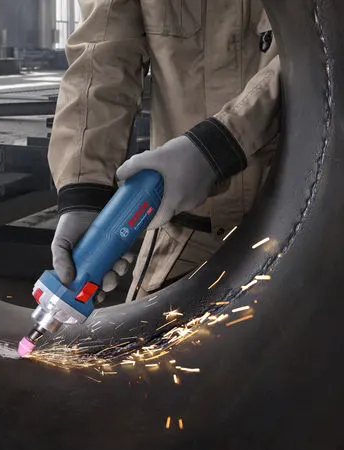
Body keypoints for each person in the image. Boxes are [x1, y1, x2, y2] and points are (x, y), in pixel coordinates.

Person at [48, 0, 281, 302]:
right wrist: (84, 191)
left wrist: (220, 144)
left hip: (307, 213)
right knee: (148, 331)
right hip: (186, 229)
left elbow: (326, 55)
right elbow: (102, 57)